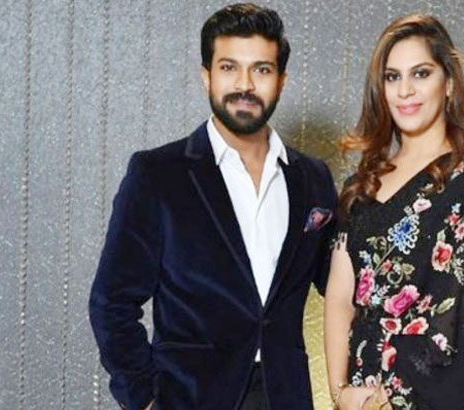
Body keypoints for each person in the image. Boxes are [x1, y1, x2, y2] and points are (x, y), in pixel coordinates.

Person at [89, 4, 337, 409]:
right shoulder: (157, 174)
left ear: (281, 80)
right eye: (228, 68)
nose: (245, 85)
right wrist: (144, 399)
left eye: (261, 69)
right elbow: (111, 301)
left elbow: (343, 287)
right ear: (207, 76)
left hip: (286, 396)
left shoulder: (312, 178)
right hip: (189, 397)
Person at [324, 13, 464, 410]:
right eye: (392, 77)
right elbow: (341, 298)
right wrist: (341, 393)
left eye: (421, 73)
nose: (405, 91)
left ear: (448, 83)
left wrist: (399, 397)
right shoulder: (361, 188)